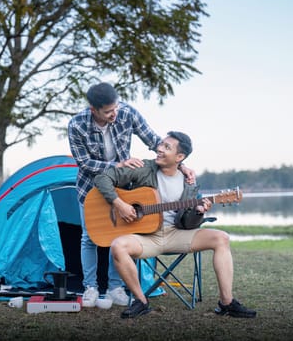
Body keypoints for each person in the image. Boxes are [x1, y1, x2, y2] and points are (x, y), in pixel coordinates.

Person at [93, 131, 257, 319]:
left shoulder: (189, 184)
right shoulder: (144, 168)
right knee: (118, 246)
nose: (159, 149)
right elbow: (102, 179)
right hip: (146, 237)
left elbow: (188, 224)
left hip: (176, 234)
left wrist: (198, 212)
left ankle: (227, 303)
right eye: (161, 145)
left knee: (221, 238)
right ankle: (141, 301)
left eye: (166, 147)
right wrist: (120, 204)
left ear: (180, 157)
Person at [67, 83, 195, 307]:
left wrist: (182, 164)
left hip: (124, 188)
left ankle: (116, 287)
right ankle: (91, 287)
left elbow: (155, 141)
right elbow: (84, 163)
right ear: (93, 109)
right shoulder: (77, 125)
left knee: (120, 236)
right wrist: (117, 164)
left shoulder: (127, 113)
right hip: (89, 188)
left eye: (115, 108)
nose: (114, 114)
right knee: (89, 238)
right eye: (108, 111)